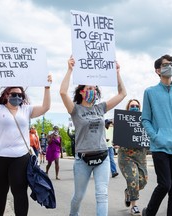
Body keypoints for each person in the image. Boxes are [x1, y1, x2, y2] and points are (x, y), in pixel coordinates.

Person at [60, 56, 127, 216]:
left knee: (102, 195)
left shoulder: (100, 108)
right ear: (81, 92)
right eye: (88, 88)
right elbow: (62, 92)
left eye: (94, 89)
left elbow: (123, 93)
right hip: (82, 159)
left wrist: (117, 73)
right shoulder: (75, 110)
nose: (92, 91)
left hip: (102, 157)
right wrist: (70, 69)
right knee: (78, 196)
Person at [0, 73, 51, 216]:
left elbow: (45, 107)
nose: (17, 97)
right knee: (0, 191)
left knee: (20, 191)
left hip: (20, 157)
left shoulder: (26, 109)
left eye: (20, 95)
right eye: (14, 94)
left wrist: (47, 87)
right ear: (6, 94)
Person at [141, 54, 172, 216]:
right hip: (160, 146)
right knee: (165, 185)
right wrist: (155, 137)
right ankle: (149, 213)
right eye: (166, 64)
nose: (170, 66)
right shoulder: (150, 92)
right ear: (157, 70)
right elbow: (145, 119)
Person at [118, 99, 148, 215]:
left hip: (140, 155)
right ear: (128, 108)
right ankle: (134, 206)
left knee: (143, 181)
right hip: (126, 155)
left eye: (136, 105)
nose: (134, 107)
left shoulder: (145, 120)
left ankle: (128, 192)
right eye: (132, 106)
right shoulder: (122, 120)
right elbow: (113, 125)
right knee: (133, 179)